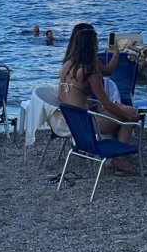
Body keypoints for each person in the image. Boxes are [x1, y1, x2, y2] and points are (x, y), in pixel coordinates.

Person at [59, 26, 140, 173]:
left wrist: (115, 53)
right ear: (92, 45)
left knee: (124, 110)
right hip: (87, 124)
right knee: (130, 115)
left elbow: (61, 96)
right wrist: (127, 115)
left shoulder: (67, 65)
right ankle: (118, 159)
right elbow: (107, 104)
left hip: (71, 121)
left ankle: (117, 153)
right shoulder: (89, 71)